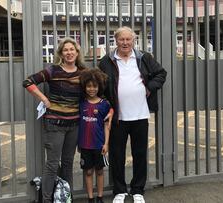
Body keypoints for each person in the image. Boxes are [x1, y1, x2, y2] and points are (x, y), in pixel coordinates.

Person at [98, 26, 167, 203]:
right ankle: (119, 191)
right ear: (116, 41)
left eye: (129, 39)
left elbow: (161, 73)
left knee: (140, 154)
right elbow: (100, 86)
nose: (125, 43)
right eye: (122, 39)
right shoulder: (107, 61)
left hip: (140, 115)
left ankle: (138, 190)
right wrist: (106, 105)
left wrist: (149, 87)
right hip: (118, 117)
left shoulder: (143, 57)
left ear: (133, 41)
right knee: (117, 155)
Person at [22, 37, 86, 202]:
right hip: (55, 124)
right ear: (61, 53)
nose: (69, 52)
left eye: (72, 49)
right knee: (51, 164)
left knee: (67, 164)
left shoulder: (83, 73)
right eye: (66, 50)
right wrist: (44, 99)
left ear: (77, 52)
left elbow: (96, 90)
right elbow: (28, 82)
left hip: (74, 125)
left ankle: (65, 198)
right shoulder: (53, 70)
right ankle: (47, 199)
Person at [78, 68, 112, 203]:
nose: (91, 89)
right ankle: (90, 198)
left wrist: (106, 143)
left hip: (99, 144)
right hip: (85, 145)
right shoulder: (81, 103)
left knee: (99, 171)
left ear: (99, 87)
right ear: (84, 87)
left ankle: (100, 197)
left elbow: (106, 125)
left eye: (94, 86)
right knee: (88, 172)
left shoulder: (104, 105)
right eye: (89, 86)